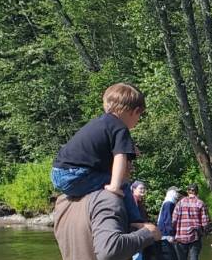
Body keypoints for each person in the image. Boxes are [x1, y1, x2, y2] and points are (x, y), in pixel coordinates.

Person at [51, 83, 146, 224]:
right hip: (76, 176)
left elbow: (98, 148)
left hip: (58, 173)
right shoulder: (120, 128)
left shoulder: (101, 122)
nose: (138, 121)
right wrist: (115, 186)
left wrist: (130, 147)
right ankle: (136, 222)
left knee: (108, 174)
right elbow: (120, 157)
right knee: (124, 185)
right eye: (140, 116)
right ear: (134, 111)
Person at [173, 184, 209, 260]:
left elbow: (174, 219)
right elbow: (205, 222)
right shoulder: (200, 203)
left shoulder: (180, 203)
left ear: (188, 191)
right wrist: (205, 232)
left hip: (181, 234)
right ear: (197, 192)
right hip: (195, 234)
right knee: (194, 257)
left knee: (182, 258)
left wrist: (174, 231)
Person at [157, 187, 180, 260]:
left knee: (169, 256)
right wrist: (171, 234)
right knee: (169, 257)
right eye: (176, 192)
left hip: (164, 233)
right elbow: (167, 220)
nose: (177, 194)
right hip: (166, 234)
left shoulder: (167, 202)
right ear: (172, 193)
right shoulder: (169, 203)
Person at [131, 180, 149, 260]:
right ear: (134, 189)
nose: (143, 190)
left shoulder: (139, 201)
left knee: (137, 257)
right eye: (140, 188)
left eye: (144, 188)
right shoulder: (133, 201)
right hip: (134, 233)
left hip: (139, 232)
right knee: (137, 258)